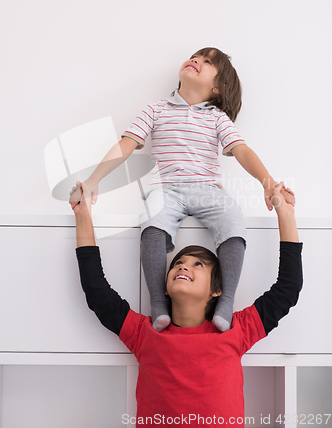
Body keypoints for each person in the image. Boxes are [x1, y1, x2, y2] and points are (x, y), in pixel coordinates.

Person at [70, 47, 295, 333]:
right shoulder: (156, 109)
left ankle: (226, 299)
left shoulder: (217, 118)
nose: (196, 60)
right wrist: (93, 180)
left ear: (217, 87)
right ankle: (157, 302)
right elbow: (125, 145)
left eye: (208, 61)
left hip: (207, 188)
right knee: (151, 222)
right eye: (196, 56)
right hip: (166, 189)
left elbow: (242, 151)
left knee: (233, 220)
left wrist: (268, 182)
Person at [70, 181, 302, 427]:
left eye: (197, 264)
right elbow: (97, 291)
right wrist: (83, 213)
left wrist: (285, 214)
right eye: (178, 262)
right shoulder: (144, 333)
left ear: (217, 290)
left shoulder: (237, 330)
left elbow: (288, 288)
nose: (182, 266)